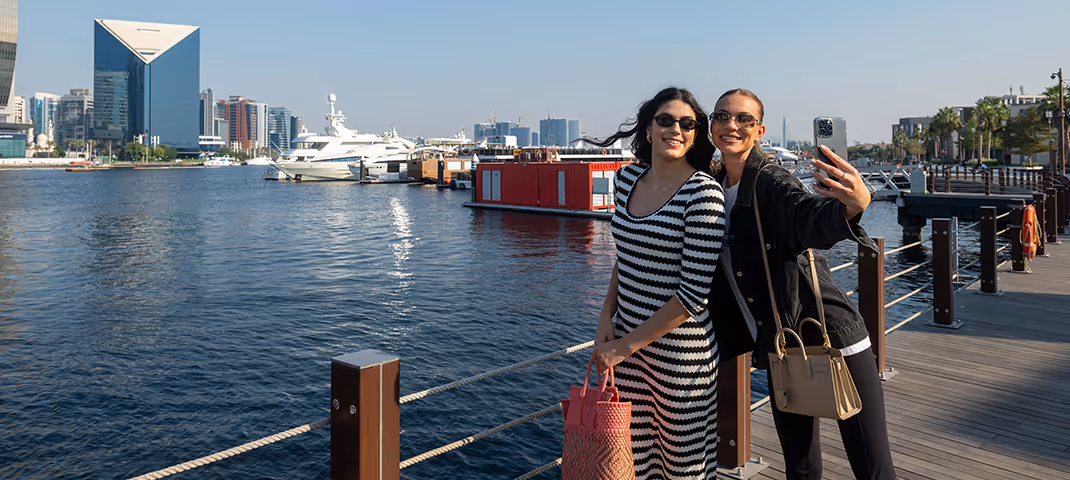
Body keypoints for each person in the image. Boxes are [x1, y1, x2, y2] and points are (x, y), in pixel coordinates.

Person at [706, 88, 896, 480]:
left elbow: (806, 214)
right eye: (722, 116)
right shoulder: (710, 185)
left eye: (743, 119)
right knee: (801, 466)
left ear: (759, 131)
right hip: (784, 344)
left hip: (835, 337)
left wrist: (852, 204)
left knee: (872, 467)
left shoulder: (771, 181)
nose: (731, 125)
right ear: (711, 127)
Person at [589, 87, 726, 479]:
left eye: (687, 124)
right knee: (632, 466)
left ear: (696, 134)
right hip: (626, 348)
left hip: (680, 359)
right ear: (649, 128)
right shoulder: (627, 178)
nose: (676, 129)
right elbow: (626, 257)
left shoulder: (703, 194)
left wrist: (622, 348)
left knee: (684, 469)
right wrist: (605, 319)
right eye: (665, 120)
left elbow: (692, 296)